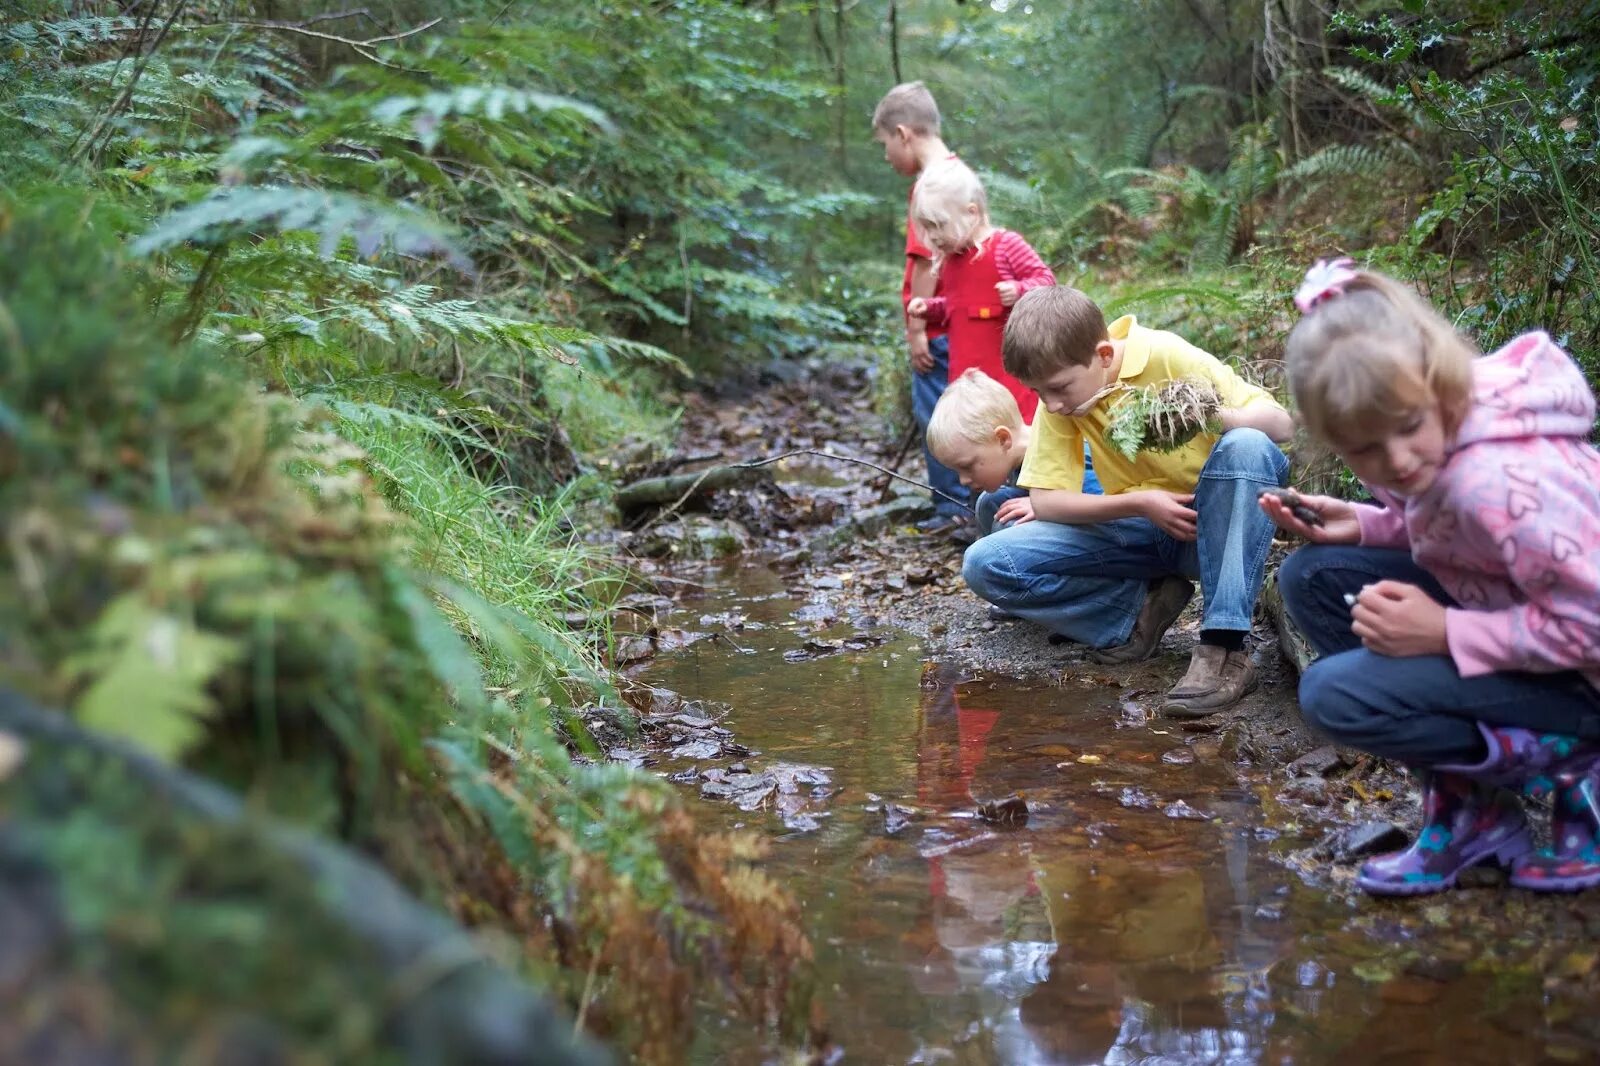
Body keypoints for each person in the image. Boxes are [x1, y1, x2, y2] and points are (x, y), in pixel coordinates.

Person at [1264, 258, 1600, 895]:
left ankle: (1581, 770)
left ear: (1437, 380)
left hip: (1584, 667)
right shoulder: (1427, 425)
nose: (1395, 460)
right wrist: (1367, 524)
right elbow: (1465, 538)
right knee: (1314, 577)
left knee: (1336, 695)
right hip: (1526, 620)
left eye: (1407, 429)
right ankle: (1474, 813)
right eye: (1363, 451)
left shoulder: (1498, 481)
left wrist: (1446, 632)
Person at [961, 286, 1293, 716]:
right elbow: (1045, 501)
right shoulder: (1060, 402)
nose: (1051, 404)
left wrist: (1203, 414)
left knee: (1246, 443)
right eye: (1039, 392)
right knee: (985, 564)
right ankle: (1135, 615)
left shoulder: (1167, 356)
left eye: (1059, 388)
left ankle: (1223, 648)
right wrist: (1141, 504)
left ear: (1102, 355)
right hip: (1139, 530)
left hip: (1210, 535)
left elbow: (1281, 427)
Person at [871, 81, 969, 538]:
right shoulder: (959, 175)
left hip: (939, 323)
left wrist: (916, 327)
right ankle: (968, 503)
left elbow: (927, 258)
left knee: (937, 412)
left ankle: (953, 506)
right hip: (960, 317)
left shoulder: (929, 184)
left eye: (886, 143)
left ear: (904, 133)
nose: (886, 155)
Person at [904, 159, 1056, 425]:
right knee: (978, 446)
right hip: (968, 382)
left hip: (1010, 382)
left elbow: (1047, 281)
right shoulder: (953, 258)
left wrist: (1019, 289)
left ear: (972, 212)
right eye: (926, 228)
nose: (933, 237)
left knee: (1018, 445)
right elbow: (957, 305)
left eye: (939, 225)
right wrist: (930, 308)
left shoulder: (1005, 246)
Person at [926, 368, 1102, 540]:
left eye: (967, 466)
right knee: (991, 503)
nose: (963, 480)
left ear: (1003, 439)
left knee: (1010, 523)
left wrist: (1045, 507)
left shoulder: (1056, 452)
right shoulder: (1021, 463)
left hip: (1107, 533)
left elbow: (1104, 498)